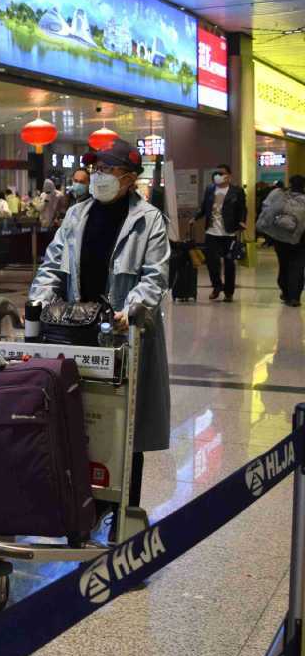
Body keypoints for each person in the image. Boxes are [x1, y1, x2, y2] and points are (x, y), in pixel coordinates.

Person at [30, 139, 170, 513]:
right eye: (96, 170)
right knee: (83, 420)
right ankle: (86, 508)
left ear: (129, 178)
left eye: (108, 170)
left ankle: (124, 510)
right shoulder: (77, 214)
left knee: (127, 428)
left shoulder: (148, 219)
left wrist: (131, 310)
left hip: (124, 336)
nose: (99, 177)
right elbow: (52, 266)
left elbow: (155, 277)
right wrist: (39, 303)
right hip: (78, 333)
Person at [194, 163, 247, 301]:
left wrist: (242, 221)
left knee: (229, 263)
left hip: (229, 233)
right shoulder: (210, 189)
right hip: (212, 232)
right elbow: (204, 207)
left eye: (222, 173)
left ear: (229, 176)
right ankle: (217, 287)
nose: (218, 176)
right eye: (217, 173)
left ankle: (229, 292)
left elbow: (242, 208)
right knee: (212, 263)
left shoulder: (237, 191)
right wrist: (195, 217)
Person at [260, 174, 305, 306]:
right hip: (301, 240)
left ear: (290, 183)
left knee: (284, 265)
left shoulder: (280, 196)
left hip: (281, 238)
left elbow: (266, 211)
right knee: (297, 267)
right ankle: (295, 296)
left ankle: (285, 292)